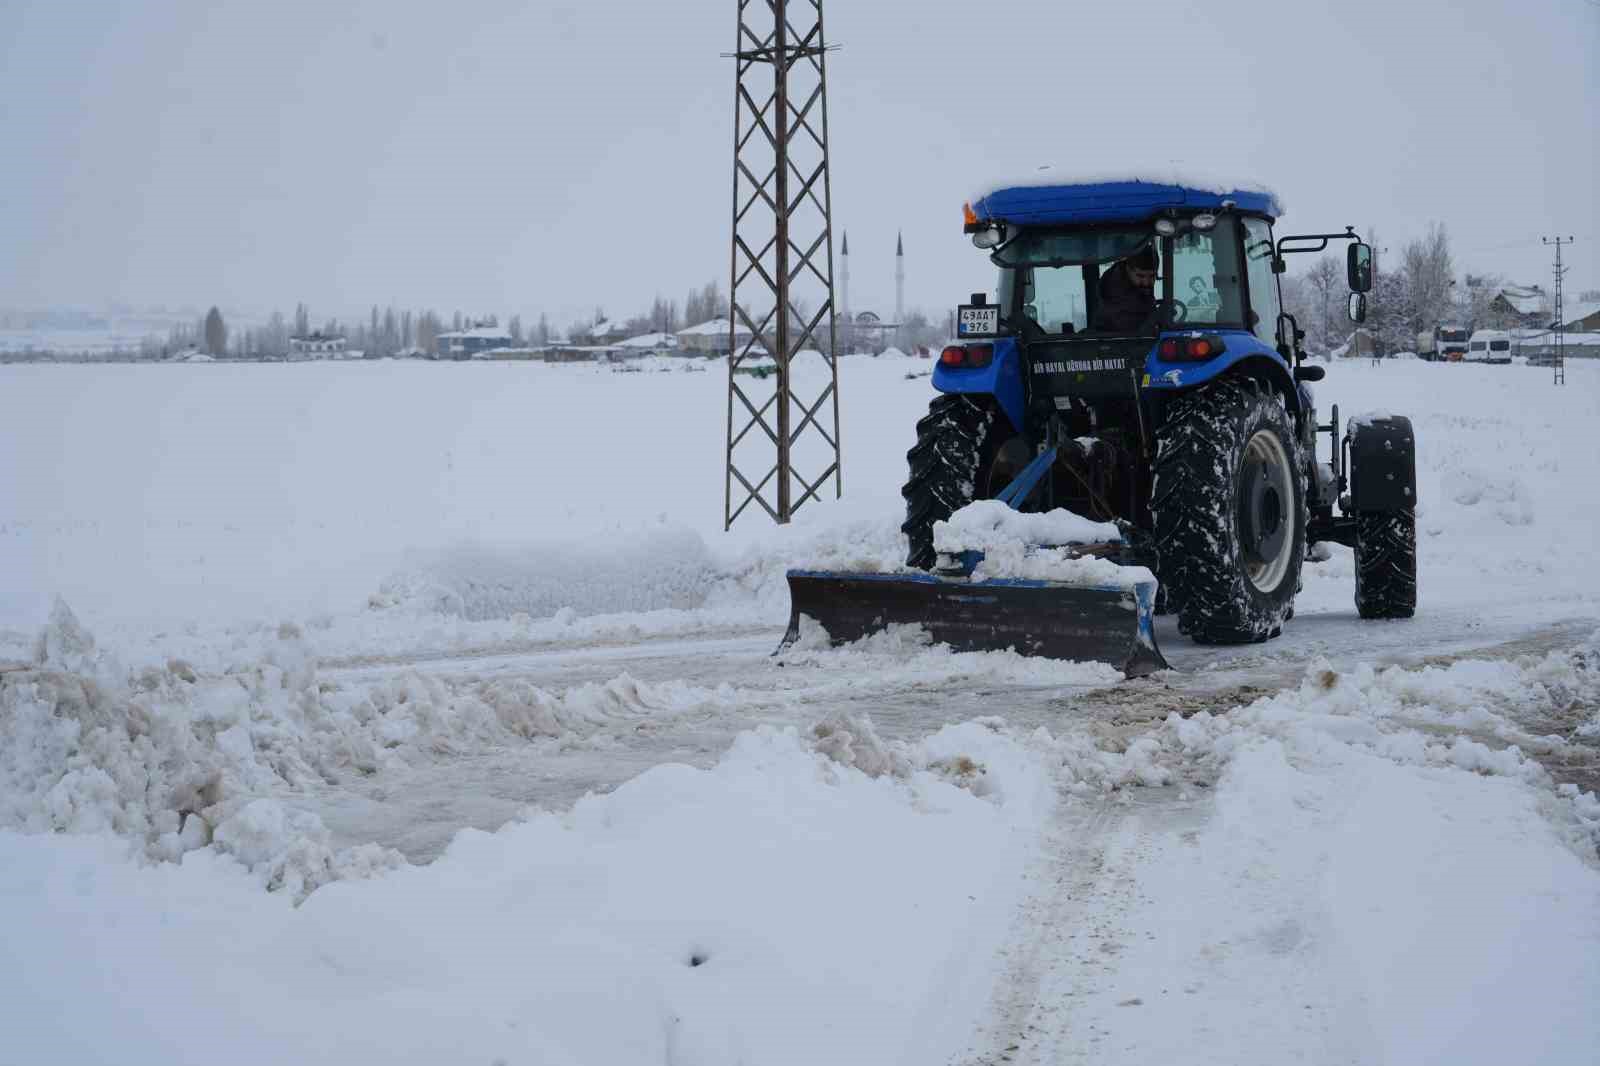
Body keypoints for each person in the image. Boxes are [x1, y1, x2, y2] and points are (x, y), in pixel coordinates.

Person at [1093, 245, 1159, 333]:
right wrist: (1157, 316)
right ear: (1128, 269)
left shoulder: (1136, 286)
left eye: (1152, 276)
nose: (1146, 282)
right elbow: (1130, 328)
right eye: (1140, 276)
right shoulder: (1114, 290)